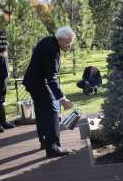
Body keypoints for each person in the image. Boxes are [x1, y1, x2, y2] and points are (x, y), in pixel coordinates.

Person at [23, 26, 75, 158]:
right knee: (52, 112)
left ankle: (44, 142)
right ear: (62, 39)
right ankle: (53, 148)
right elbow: (51, 78)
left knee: (41, 112)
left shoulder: (49, 41)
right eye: (69, 43)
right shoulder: (52, 49)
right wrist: (63, 100)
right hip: (38, 83)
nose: (70, 46)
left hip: (33, 82)